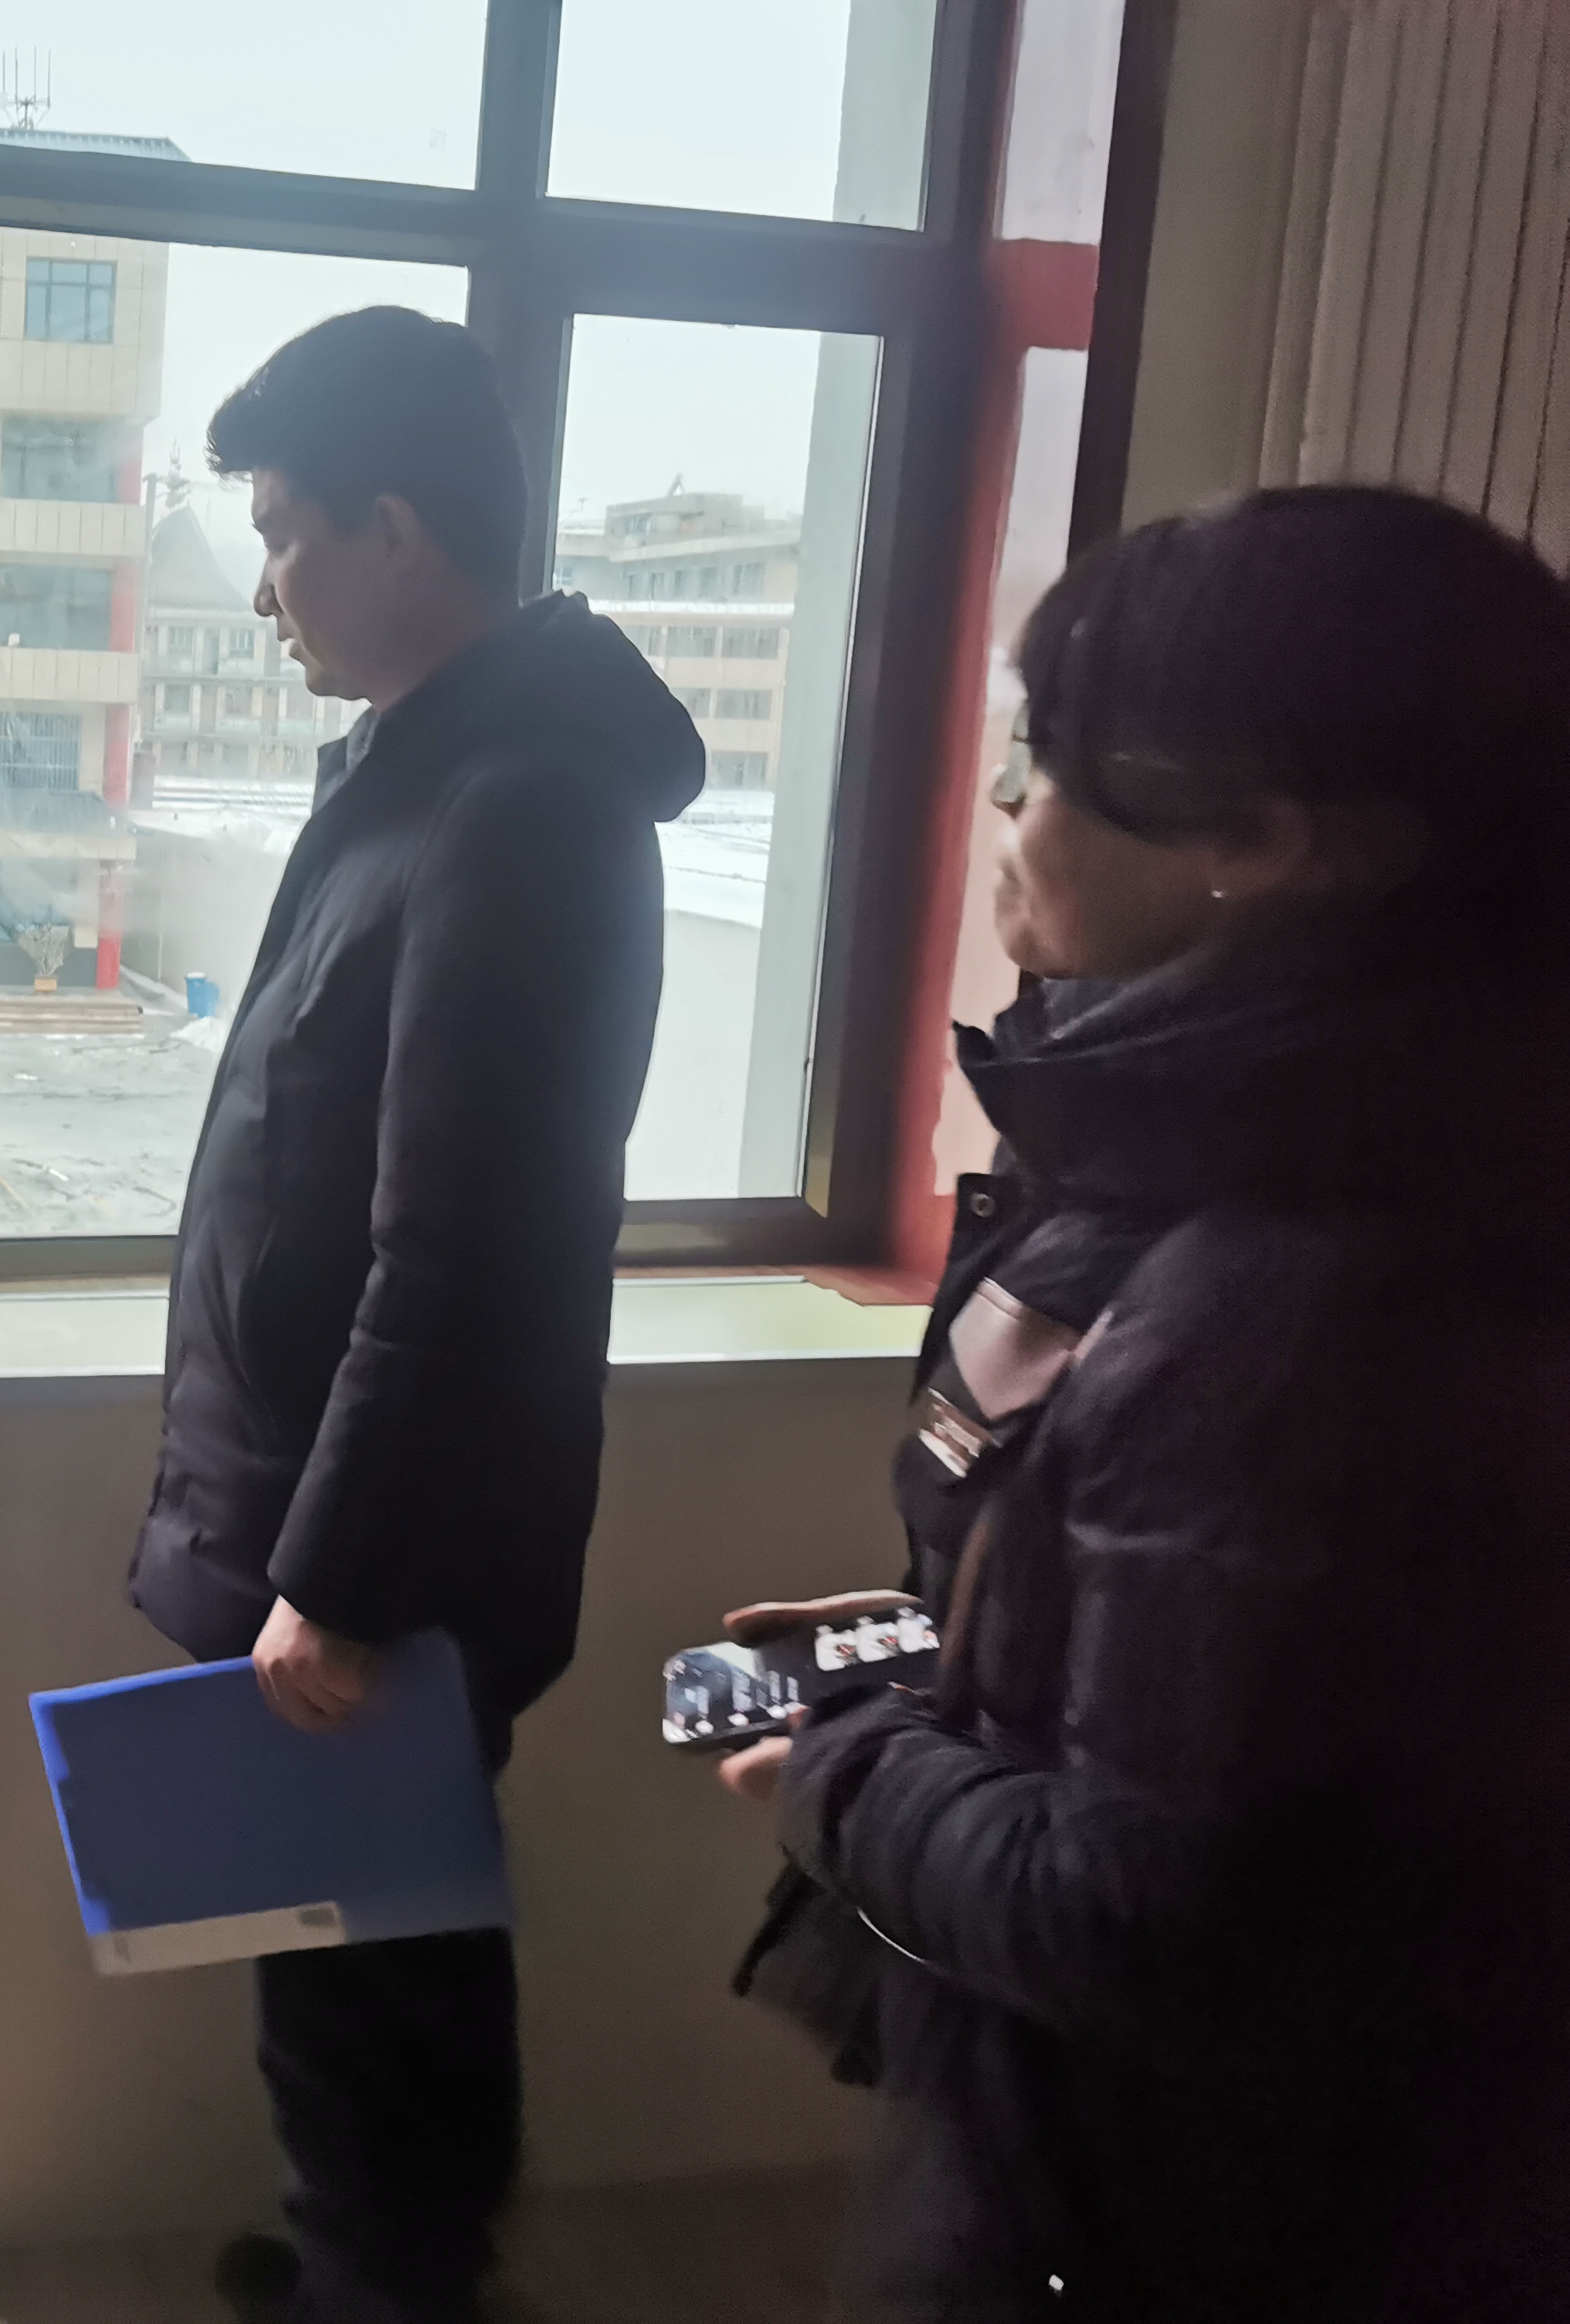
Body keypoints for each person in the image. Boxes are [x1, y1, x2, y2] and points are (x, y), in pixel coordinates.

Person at [717, 486, 1570, 2321]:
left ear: (1257, 842)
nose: (1006, 811)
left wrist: (837, 1761)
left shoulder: (1307, 1290)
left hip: (1174, 2216)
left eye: (1045, 763)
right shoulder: (1242, 1149)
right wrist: (950, 1641)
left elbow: (1150, 1913)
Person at [127, 308, 705, 2324]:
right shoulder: (424, 770)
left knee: (376, 1995)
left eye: (284, 534)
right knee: (352, 1961)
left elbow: (474, 1245)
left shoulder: (519, 806)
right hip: (327, 1525)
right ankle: (364, 2274)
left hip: (374, 1560)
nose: (266, 586)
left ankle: (389, 2290)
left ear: (394, 529)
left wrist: (342, 1582)